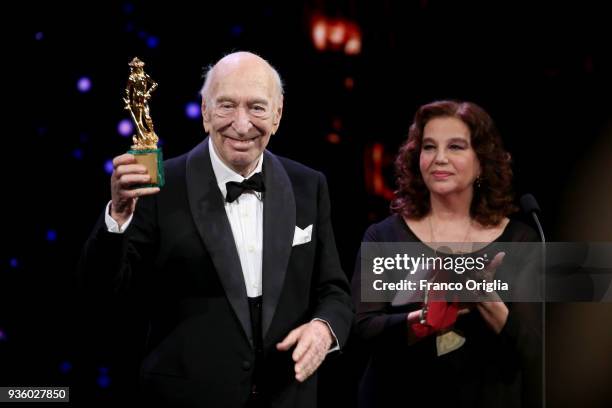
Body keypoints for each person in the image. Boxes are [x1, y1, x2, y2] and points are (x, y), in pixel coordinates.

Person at [80, 51, 353, 407]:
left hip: (288, 397)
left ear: (278, 114)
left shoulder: (309, 185)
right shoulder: (158, 187)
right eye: (226, 106)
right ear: (205, 112)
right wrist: (117, 216)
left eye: (257, 107)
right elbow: (101, 295)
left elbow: (334, 290)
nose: (241, 124)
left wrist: (323, 329)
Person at [352, 100, 542, 407]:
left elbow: (535, 350)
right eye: (429, 147)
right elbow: (362, 330)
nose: (439, 158)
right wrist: (428, 319)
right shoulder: (384, 236)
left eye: (455, 147)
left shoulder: (521, 241)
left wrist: (486, 300)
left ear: (482, 161)